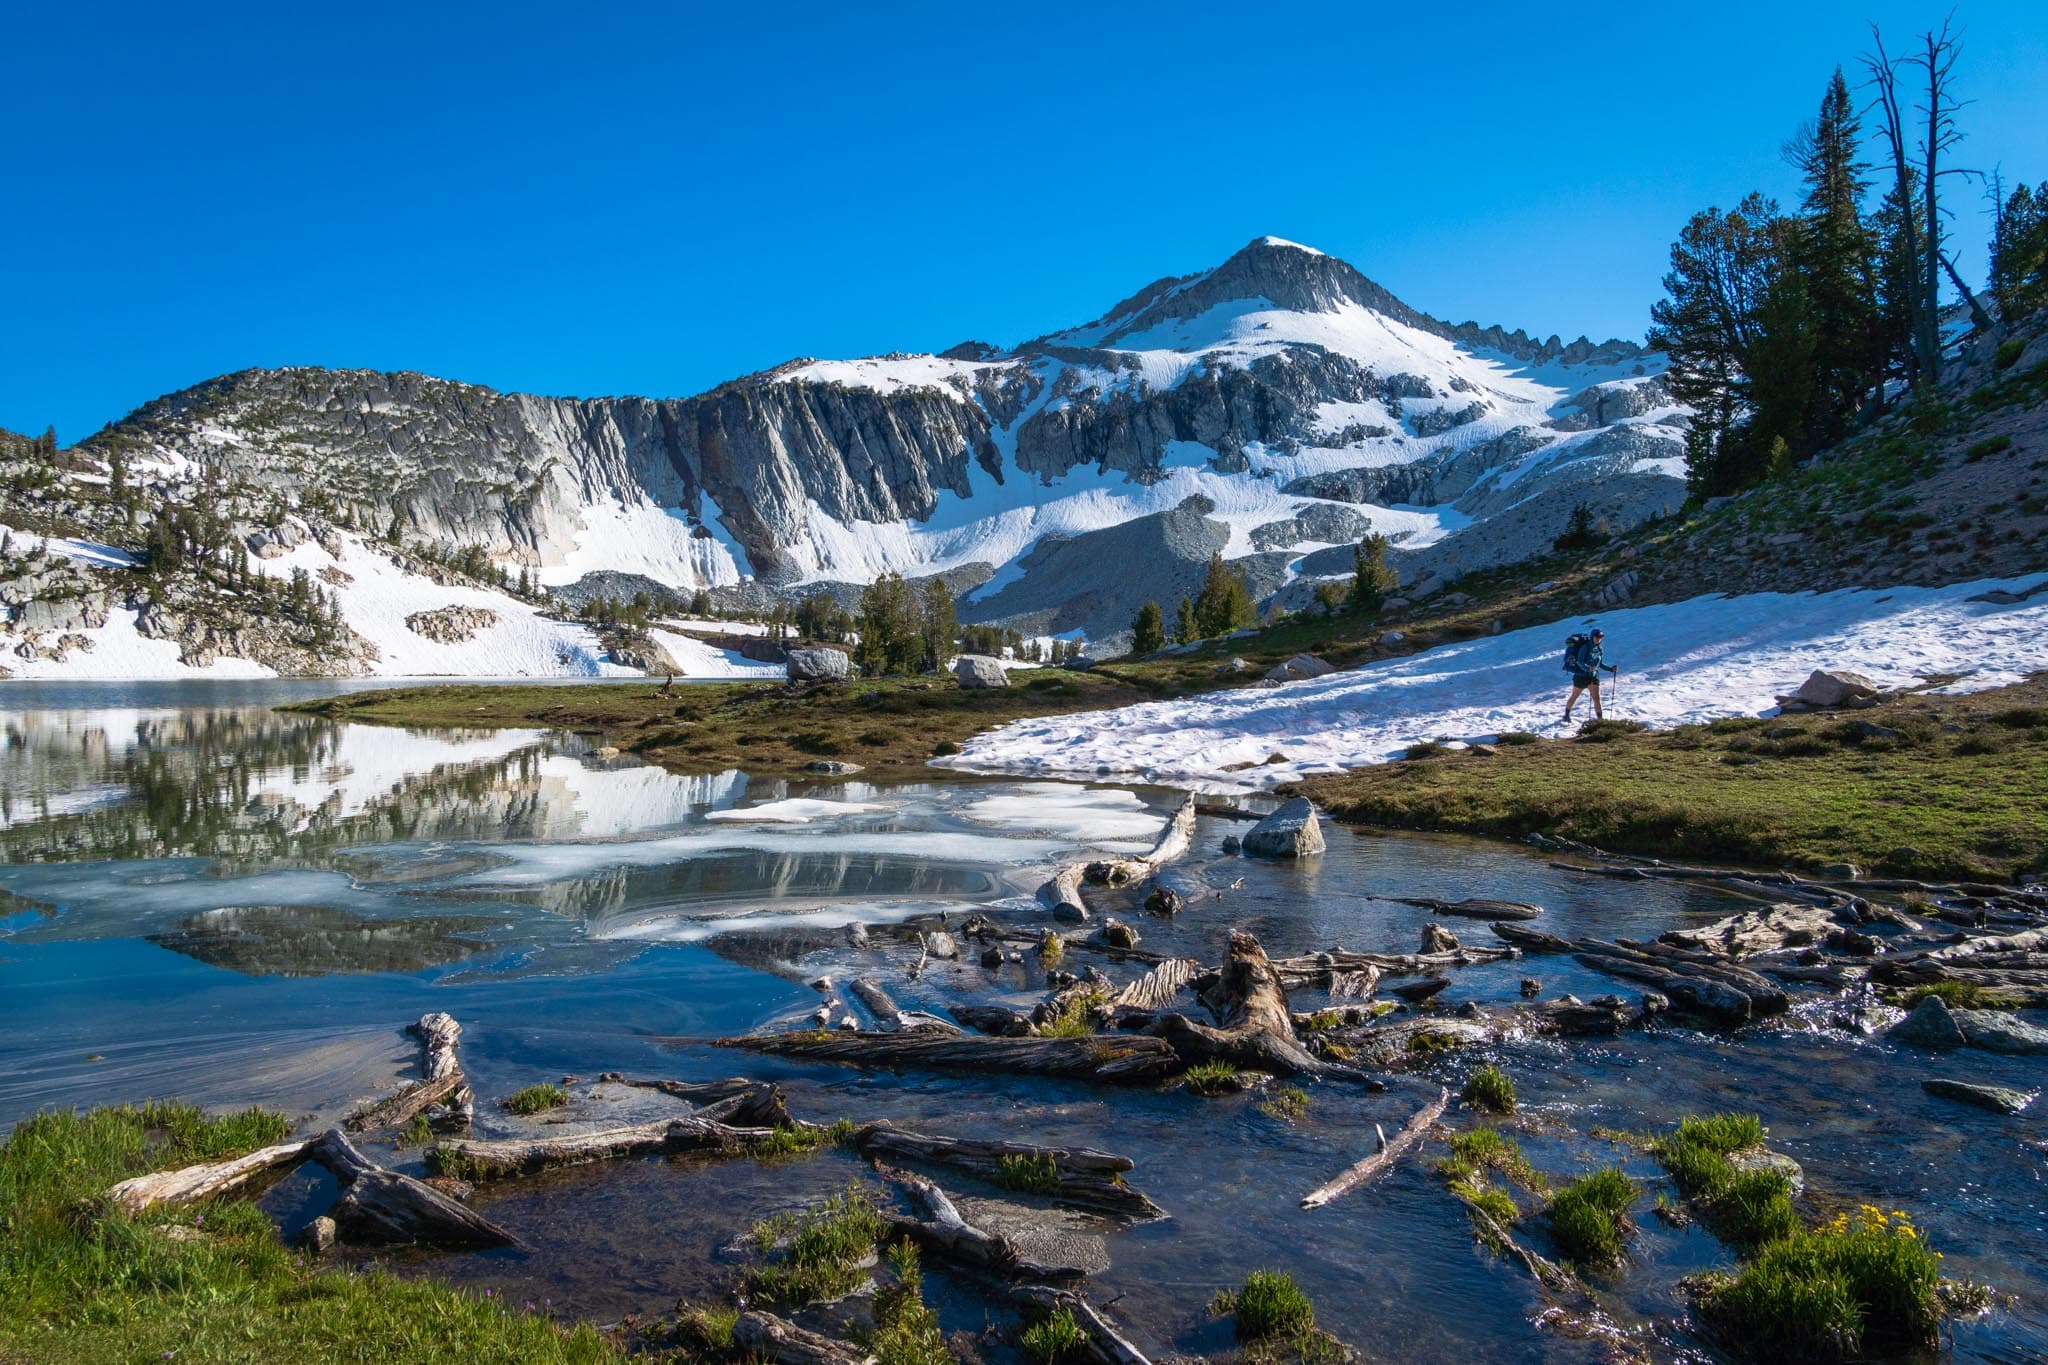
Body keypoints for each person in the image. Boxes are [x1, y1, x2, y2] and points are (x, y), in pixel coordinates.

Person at [1563, 628, 1617, 722]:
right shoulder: (1585, 647)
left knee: (1596, 698)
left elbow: (1599, 664)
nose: (1599, 638)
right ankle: (1566, 715)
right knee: (1575, 696)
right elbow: (1580, 662)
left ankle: (1600, 721)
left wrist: (1610, 669)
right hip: (1581, 676)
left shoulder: (1599, 648)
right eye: (1597, 636)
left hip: (1593, 676)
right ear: (1592, 637)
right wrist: (1587, 668)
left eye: (1601, 637)